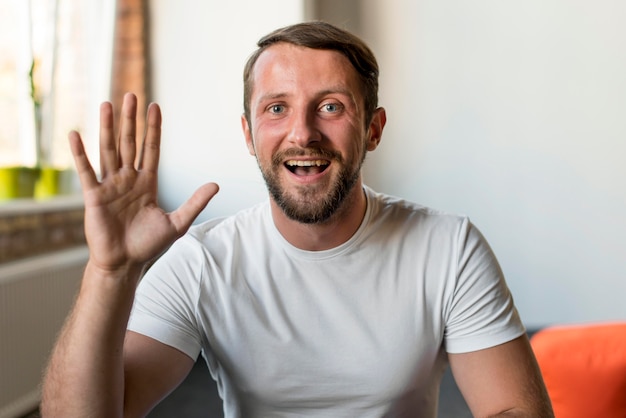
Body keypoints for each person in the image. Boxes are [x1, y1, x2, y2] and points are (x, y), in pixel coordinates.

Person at [41, 21, 554, 417]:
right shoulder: (202, 260)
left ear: (373, 129)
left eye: (330, 107)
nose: (302, 133)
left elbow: (515, 409)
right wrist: (108, 274)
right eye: (277, 109)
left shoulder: (449, 247)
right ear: (248, 133)